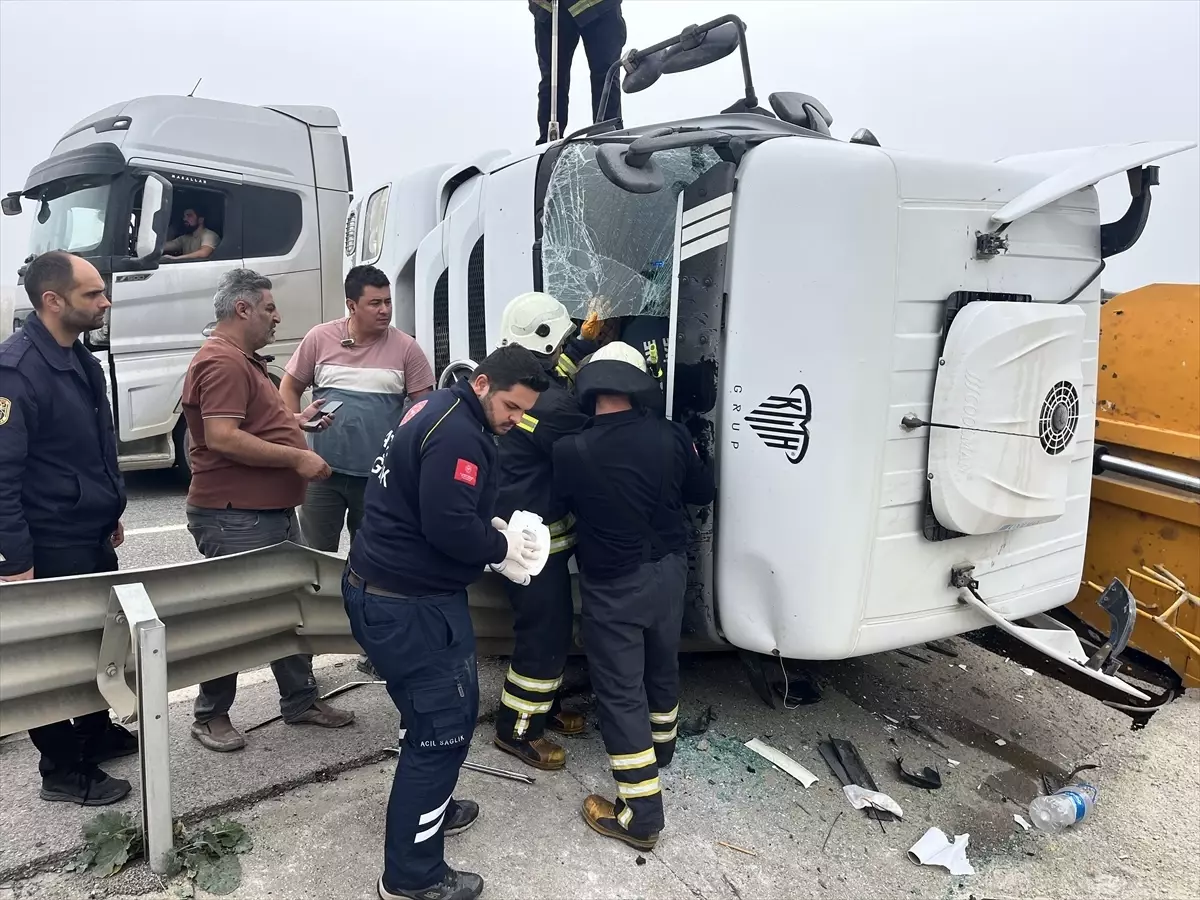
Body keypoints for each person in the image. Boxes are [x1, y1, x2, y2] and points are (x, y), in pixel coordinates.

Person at [344, 344, 551, 900]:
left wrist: (488, 524)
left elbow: (438, 503)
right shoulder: (459, 434)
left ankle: (428, 808)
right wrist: (502, 544)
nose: (515, 421)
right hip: (411, 605)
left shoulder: (437, 406)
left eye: (524, 412)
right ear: (482, 384)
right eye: (511, 406)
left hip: (383, 589)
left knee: (427, 718)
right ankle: (412, 877)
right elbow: (450, 528)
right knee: (442, 732)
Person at [180, 268, 355, 753]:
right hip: (235, 513)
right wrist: (298, 455)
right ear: (243, 309)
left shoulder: (243, 360)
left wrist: (294, 421)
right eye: (270, 308)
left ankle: (300, 699)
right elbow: (221, 436)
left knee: (291, 606)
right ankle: (210, 715)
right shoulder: (221, 362)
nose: (277, 318)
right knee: (235, 616)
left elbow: (247, 421)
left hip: (267, 510)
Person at [552, 341, 715, 850]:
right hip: (669, 570)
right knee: (662, 660)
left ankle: (641, 814)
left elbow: (556, 506)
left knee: (621, 690)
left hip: (613, 582)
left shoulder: (571, 449)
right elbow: (701, 492)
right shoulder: (671, 434)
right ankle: (660, 748)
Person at [0, 250, 138, 805]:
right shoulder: (16, 370)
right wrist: (15, 562)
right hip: (48, 543)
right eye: (93, 294)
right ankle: (61, 768)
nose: (105, 302)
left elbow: (91, 448)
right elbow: (2, 477)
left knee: (96, 643)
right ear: (52, 301)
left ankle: (93, 732)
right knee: (54, 657)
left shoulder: (78, 357)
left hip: (87, 533)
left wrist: (110, 510)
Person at [281, 265, 435, 679]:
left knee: (379, 571)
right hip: (322, 477)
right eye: (375, 303)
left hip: (380, 483)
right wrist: (296, 424)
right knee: (314, 566)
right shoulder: (320, 338)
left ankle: (377, 651)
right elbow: (289, 387)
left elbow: (426, 413)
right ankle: (303, 666)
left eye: (388, 302)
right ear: (351, 305)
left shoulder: (407, 350)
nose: (385, 310)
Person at [490, 293, 592, 771]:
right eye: (565, 339)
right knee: (545, 633)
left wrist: (577, 350)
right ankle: (518, 728)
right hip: (533, 544)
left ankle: (542, 709)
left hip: (521, 530)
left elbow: (550, 376)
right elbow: (578, 415)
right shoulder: (552, 407)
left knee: (546, 628)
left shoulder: (509, 380)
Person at [529, 0, 627, 143]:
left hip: (599, 7)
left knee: (606, 76)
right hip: (552, 10)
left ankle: (609, 140)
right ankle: (548, 145)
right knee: (553, 79)